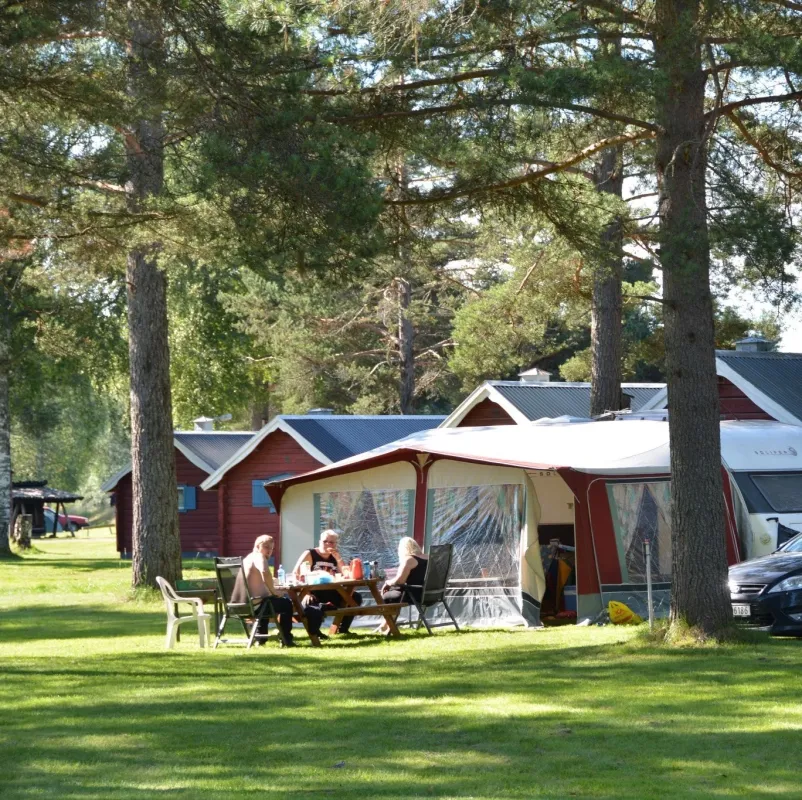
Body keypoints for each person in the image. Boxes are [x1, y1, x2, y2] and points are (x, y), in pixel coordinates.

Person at [238, 534, 323, 647]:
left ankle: (260, 638)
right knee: (286, 603)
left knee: (268, 601)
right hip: (256, 606)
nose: (269, 551)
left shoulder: (247, 559)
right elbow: (264, 572)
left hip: (241, 605)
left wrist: (273, 584)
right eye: (266, 547)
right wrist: (274, 591)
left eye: (271, 548)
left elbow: (257, 579)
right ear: (257, 546)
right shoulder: (259, 557)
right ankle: (286, 639)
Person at [292, 529, 363, 633]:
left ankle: (342, 629)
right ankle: (316, 633)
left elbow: (347, 575)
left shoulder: (335, 556)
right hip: (313, 592)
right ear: (320, 542)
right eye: (325, 541)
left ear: (336, 544)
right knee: (311, 603)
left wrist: (338, 558)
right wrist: (306, 593)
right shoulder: (310, 554)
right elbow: (296, 573)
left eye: (331, 542)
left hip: (332, 591)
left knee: (355, 597)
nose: (328, 544)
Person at [378, 537, 429, 633]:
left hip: (412, 594)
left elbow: (400, 581)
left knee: (387, 596)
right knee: (393, 595)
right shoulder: (429, 557)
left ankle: (389, 625)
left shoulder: (409, 560)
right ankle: (385, 624)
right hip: (428, 593)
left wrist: (387, 583)